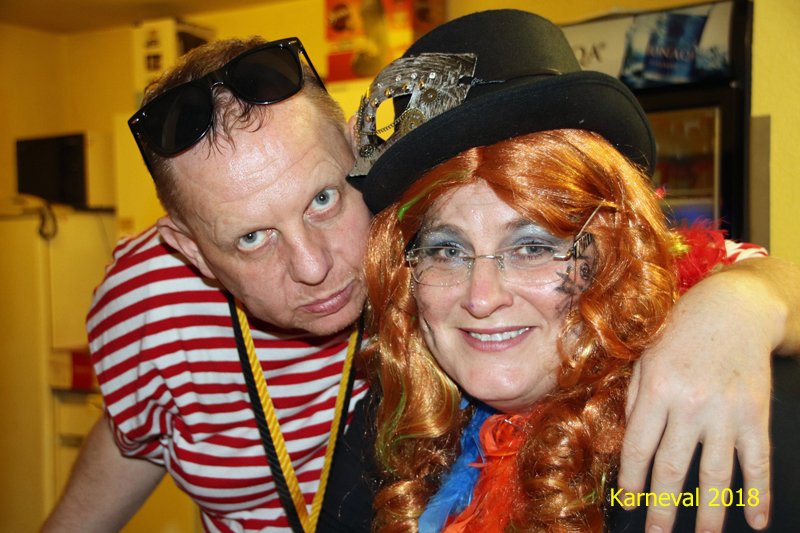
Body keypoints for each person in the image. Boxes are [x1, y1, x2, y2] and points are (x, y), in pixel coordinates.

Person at [42, 27, 796, 533]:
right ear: (191, 249)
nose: (314, 266)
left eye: (323, 199)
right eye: (250, 238)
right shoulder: (150, 306)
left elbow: (687, 265)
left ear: (359, 157)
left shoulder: (428, 218)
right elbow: (136, 430)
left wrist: (744, 301)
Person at [346, 9, 800, 532]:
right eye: (447, 251)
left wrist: (748, 298)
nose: (481, 297)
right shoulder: (391, 423)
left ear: (616, 253)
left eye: (533, 247)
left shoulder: (712, 421)